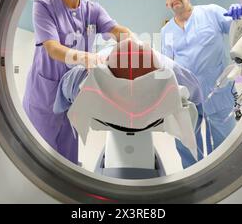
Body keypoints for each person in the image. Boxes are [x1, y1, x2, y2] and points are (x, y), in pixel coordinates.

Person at [22, 0, 132, 165]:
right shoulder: (44, 7)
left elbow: (116, 30)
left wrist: (134, 43)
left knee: (68, 162)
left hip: (73, 97)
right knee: (41, 163)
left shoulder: (93, 10)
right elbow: (53, 48)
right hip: (45, 97)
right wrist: (85, 58)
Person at [53, 38, 205, 163]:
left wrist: (62, 107)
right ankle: (194, 166)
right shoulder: (170, 68)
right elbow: (196, 95)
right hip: (155, 116)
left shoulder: (84, 73)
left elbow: (63, 95)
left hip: (106, 116)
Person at [161, 0, 242, 168]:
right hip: (186, 97)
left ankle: (223, 183)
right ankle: (192, 183)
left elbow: (237, 27)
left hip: (218, 93)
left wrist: (241, 13)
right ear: (167, 4)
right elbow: (167, 64)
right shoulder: (166, 32)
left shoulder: (211, 12)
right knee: (187, 145)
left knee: (224, 147)